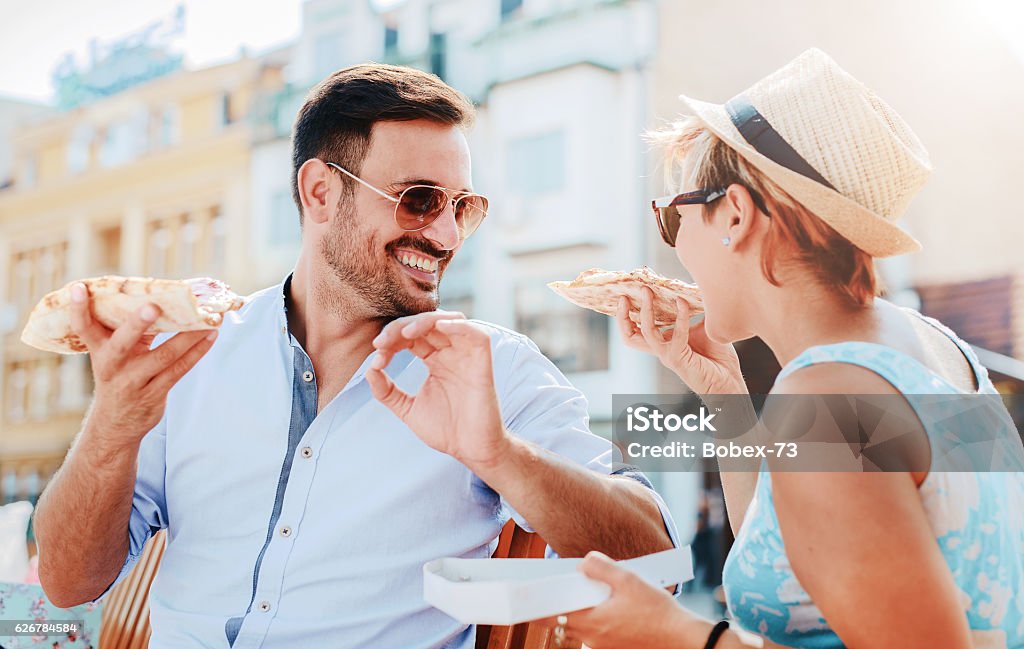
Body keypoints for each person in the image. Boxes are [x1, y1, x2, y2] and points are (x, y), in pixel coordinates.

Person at [31, 64, 678, 648]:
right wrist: (110, 425)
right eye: (419, 198)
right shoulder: (193, 354)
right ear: (319, 192)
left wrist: (498, 454)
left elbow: (656, 562)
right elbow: (67, 585)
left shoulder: (492, 371)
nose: (447, 234)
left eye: (465, 207)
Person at [544, 49, 1024, 649]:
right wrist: (723, 393)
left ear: (736, 215)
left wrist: (676, 634)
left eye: (673, 218)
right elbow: (799, 578)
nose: (676, 249)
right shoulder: (936, 348)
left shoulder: (834, 391)